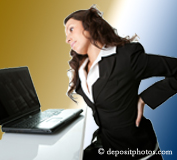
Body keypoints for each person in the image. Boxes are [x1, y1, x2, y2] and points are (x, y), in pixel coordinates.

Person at [64, 4, 177, 160]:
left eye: (71, 29)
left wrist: (146, 98)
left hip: (139, 151)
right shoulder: (81, 70)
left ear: (90, 26)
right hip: (108, 146)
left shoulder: (126, 57)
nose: (67, 38)